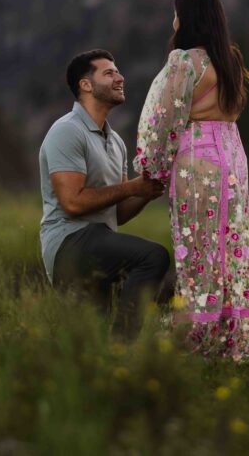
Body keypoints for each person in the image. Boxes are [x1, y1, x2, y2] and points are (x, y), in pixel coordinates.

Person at [134, 0, 249, 362]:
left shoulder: (184, 61)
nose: (173, 20)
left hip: (199, 159)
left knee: (198, 251)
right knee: (230, 247)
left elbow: (165, 117)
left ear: (188, 17)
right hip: (232, 156)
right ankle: (234, 336)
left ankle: (195, 336)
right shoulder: (229, 60)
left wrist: (152, 165)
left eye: (176, 13)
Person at [39, 49, 170, 338]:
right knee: (153, 257)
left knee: (89, 338)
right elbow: (72, 203)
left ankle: (110, 355)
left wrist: (146, 192)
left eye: (118, 71)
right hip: (69, 242)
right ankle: (122, 346)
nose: (120, 77)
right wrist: (132, 187)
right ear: (86, 85)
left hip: (100, 239)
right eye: (109, 73)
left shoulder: (117, 142)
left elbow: (118, 213)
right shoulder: (66, 131)